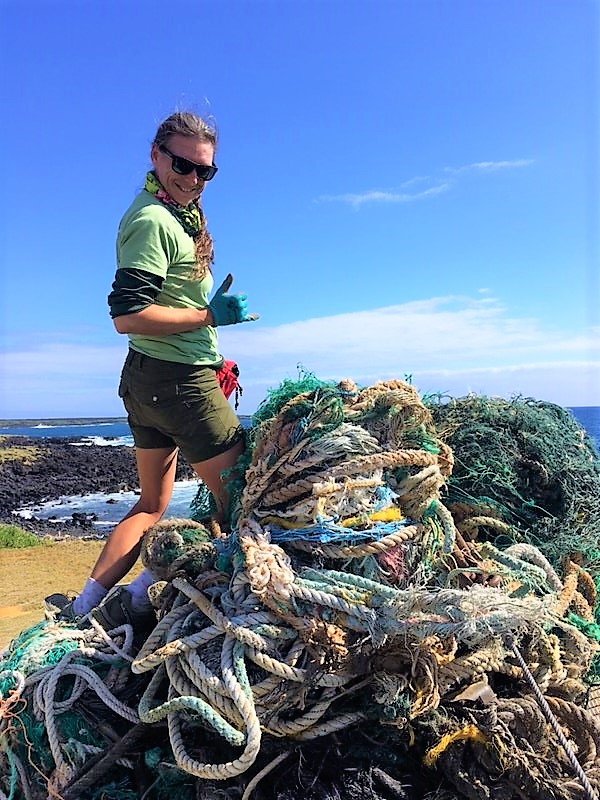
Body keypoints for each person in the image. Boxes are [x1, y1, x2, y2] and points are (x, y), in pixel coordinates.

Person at [47, 110, 257, 630]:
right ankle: (145, 593)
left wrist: (206, 324)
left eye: (204, 171)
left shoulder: (175, 215)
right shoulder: (152, 221)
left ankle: (85, 607)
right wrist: (210, 316)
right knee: (245, 501)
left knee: (152, 503)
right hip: (179, 382)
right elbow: (128, 315)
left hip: (147, 381)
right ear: (155, 155)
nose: (192, 178)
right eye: (182, 165)